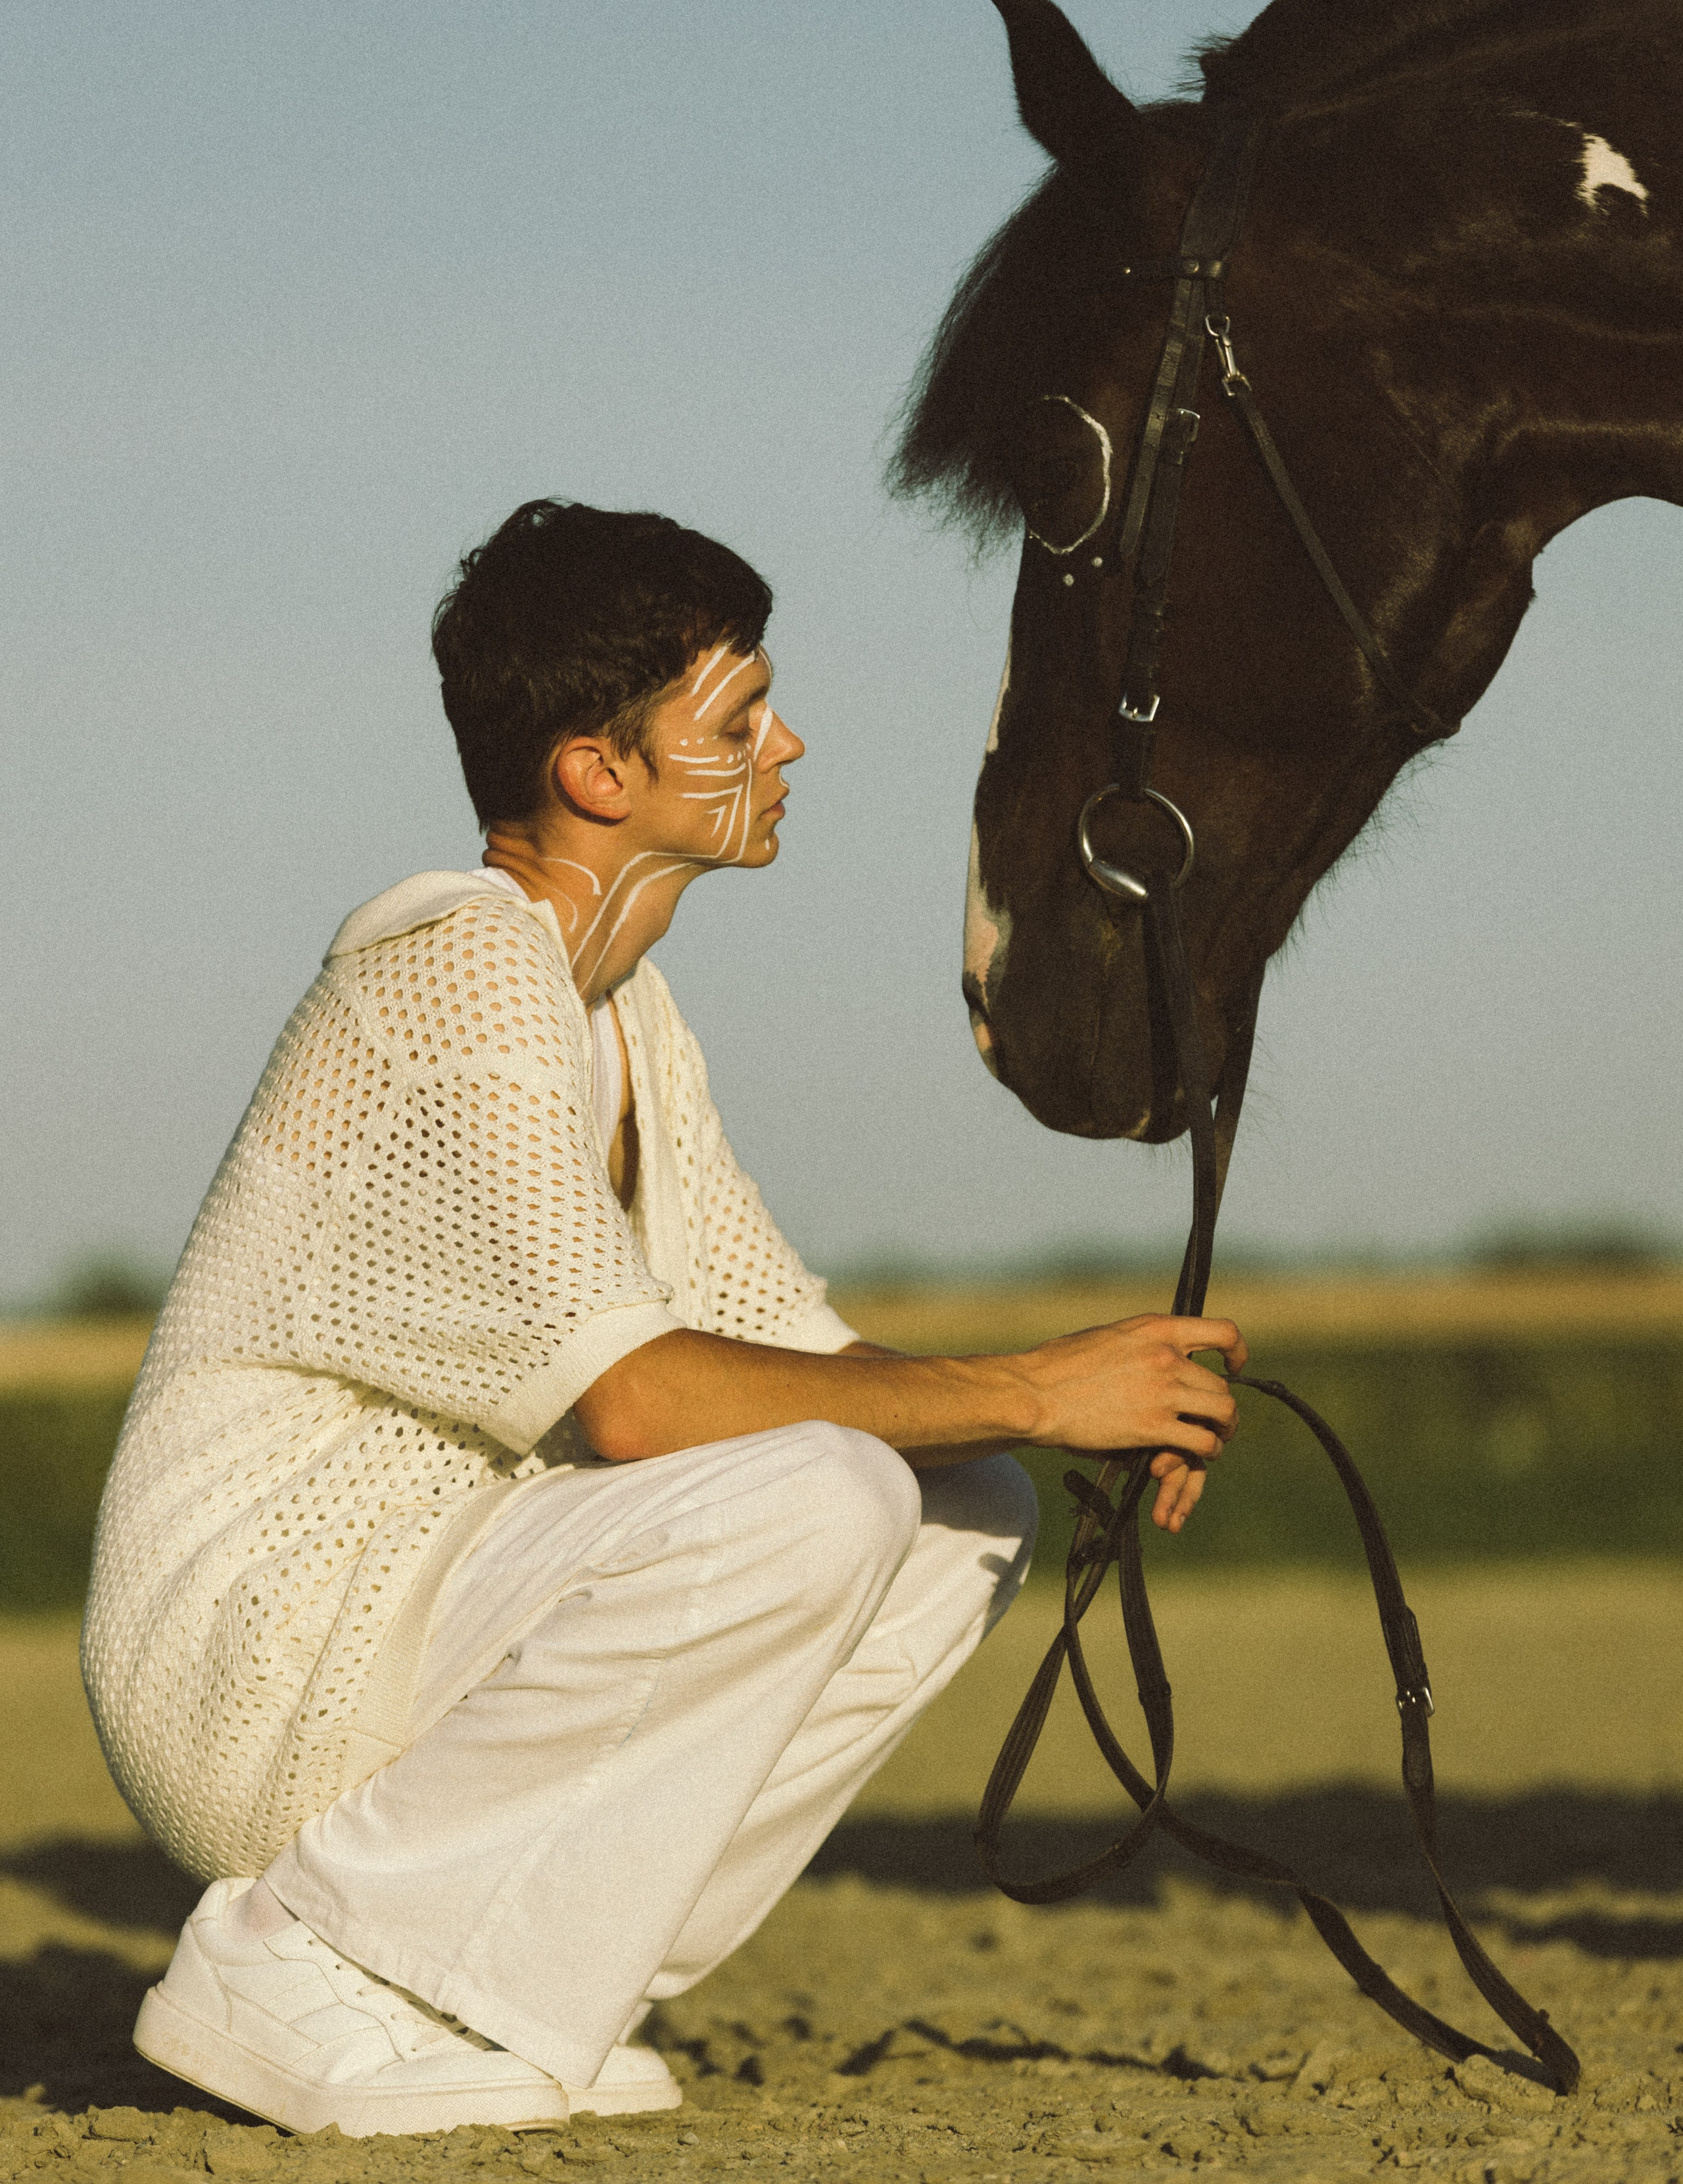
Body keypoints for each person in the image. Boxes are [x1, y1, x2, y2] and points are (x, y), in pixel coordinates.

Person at [82, 499, 1245, 2140]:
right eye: (737, 715)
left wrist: (1072, 1411)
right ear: (597, 772)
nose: (787, 742)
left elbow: (807, 1361)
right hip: (258, 1658)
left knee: (949, 1501)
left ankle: (514, 1975)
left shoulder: (623, 1009)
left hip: (415, 1619)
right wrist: (1037, 1390)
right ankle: (301, 1962)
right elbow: (638, 1404)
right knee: (829, 1488)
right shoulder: (456, 966)